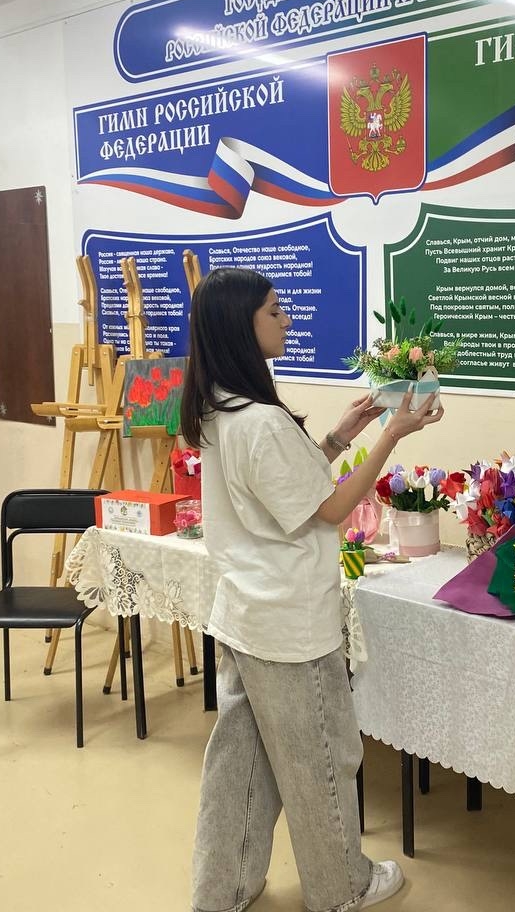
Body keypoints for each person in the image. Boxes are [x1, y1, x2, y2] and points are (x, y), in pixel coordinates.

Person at [181, 267, 443, 912]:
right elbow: (327, 510)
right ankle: (341, 887)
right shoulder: (260, 421)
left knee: (241, 762)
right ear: (242, 326)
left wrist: (339, 436)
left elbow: (287, 490)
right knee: (321, 757)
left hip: (247, 613)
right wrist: (390, 434)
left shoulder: (221, 408)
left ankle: (223, 889)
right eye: (274, 311)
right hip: (290, 623)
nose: (287, 320)